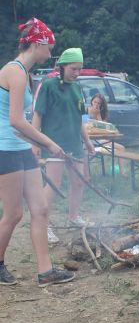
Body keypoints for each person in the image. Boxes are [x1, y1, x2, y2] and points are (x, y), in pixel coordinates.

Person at [0, 17, 75, 287]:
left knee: (40, 208)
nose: (51, 53)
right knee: (13, 214)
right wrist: (49, 144)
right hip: (5, 149)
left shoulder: (26, 74)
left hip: (20, 148)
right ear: (38, 43)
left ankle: (46, 273)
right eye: (50, 47)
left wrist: (35, 144)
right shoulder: (15, 71)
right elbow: (16, 121)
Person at [32, 48, 95, 244]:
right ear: (62, 66)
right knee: (54, 184)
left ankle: (73, 217)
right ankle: (44, 224)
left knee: (79, 181)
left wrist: (87, 141)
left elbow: (80, 119)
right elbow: (38, 115)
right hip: (54, 144)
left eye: (79, 69)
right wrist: (36, 143)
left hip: (75, 144)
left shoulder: (77, 88)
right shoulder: (48, 85)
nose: (77, 73)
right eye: (73, 69)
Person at [83, 93, 127, 177]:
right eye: (95, 102)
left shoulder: (99, 113)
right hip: (89, 140)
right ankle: (87, 176)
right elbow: (85, 126)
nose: (96, 104)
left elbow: (103, 128)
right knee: (84, 152)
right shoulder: (85, 111)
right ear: (92, 101)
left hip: (100, 140)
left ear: (101, 105)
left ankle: (123, 173)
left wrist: (98, 114)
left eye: (98, 103)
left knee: (121, 148)